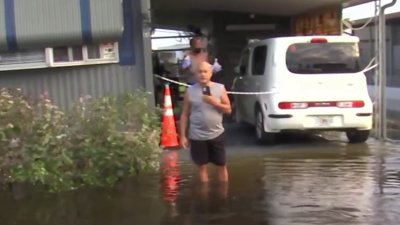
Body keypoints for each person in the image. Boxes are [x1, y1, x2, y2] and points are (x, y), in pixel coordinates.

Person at [180, 61, 231, 183]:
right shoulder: (190, 91)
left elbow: (228, 110)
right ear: (196, 74)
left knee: (222, 165)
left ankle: (223, 194)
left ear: (211, 73)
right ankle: (205, 195)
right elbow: (184, 114)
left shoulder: (219, 88)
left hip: (217, 134)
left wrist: (214, 102)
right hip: (197, 136)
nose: (202, 74)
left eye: (205, 71)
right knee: (202, 167)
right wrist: (182, 136)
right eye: (200, 72)